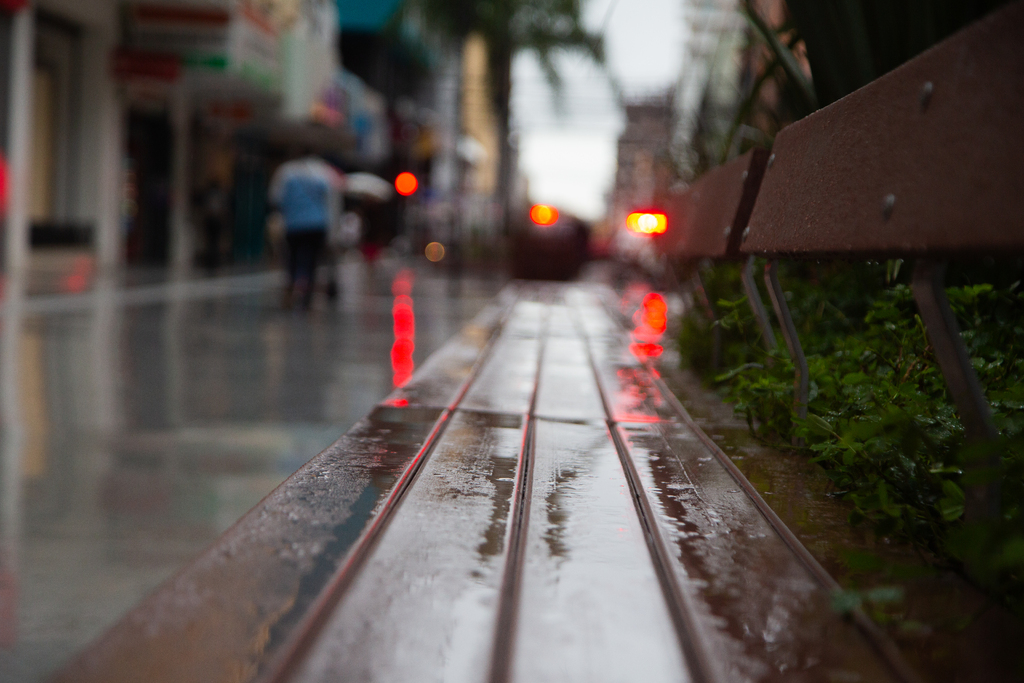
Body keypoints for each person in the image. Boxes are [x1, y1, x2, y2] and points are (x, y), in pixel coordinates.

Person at [269, 152, 342, 308]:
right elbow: (332, 202)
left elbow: (275, 197)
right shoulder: (323, 172)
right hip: (317, 224)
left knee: (292, 259)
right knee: (312, 261)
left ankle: (291, 288)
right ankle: (307, 296)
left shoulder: (286, 171)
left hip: (293, 224)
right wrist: (333, 230)